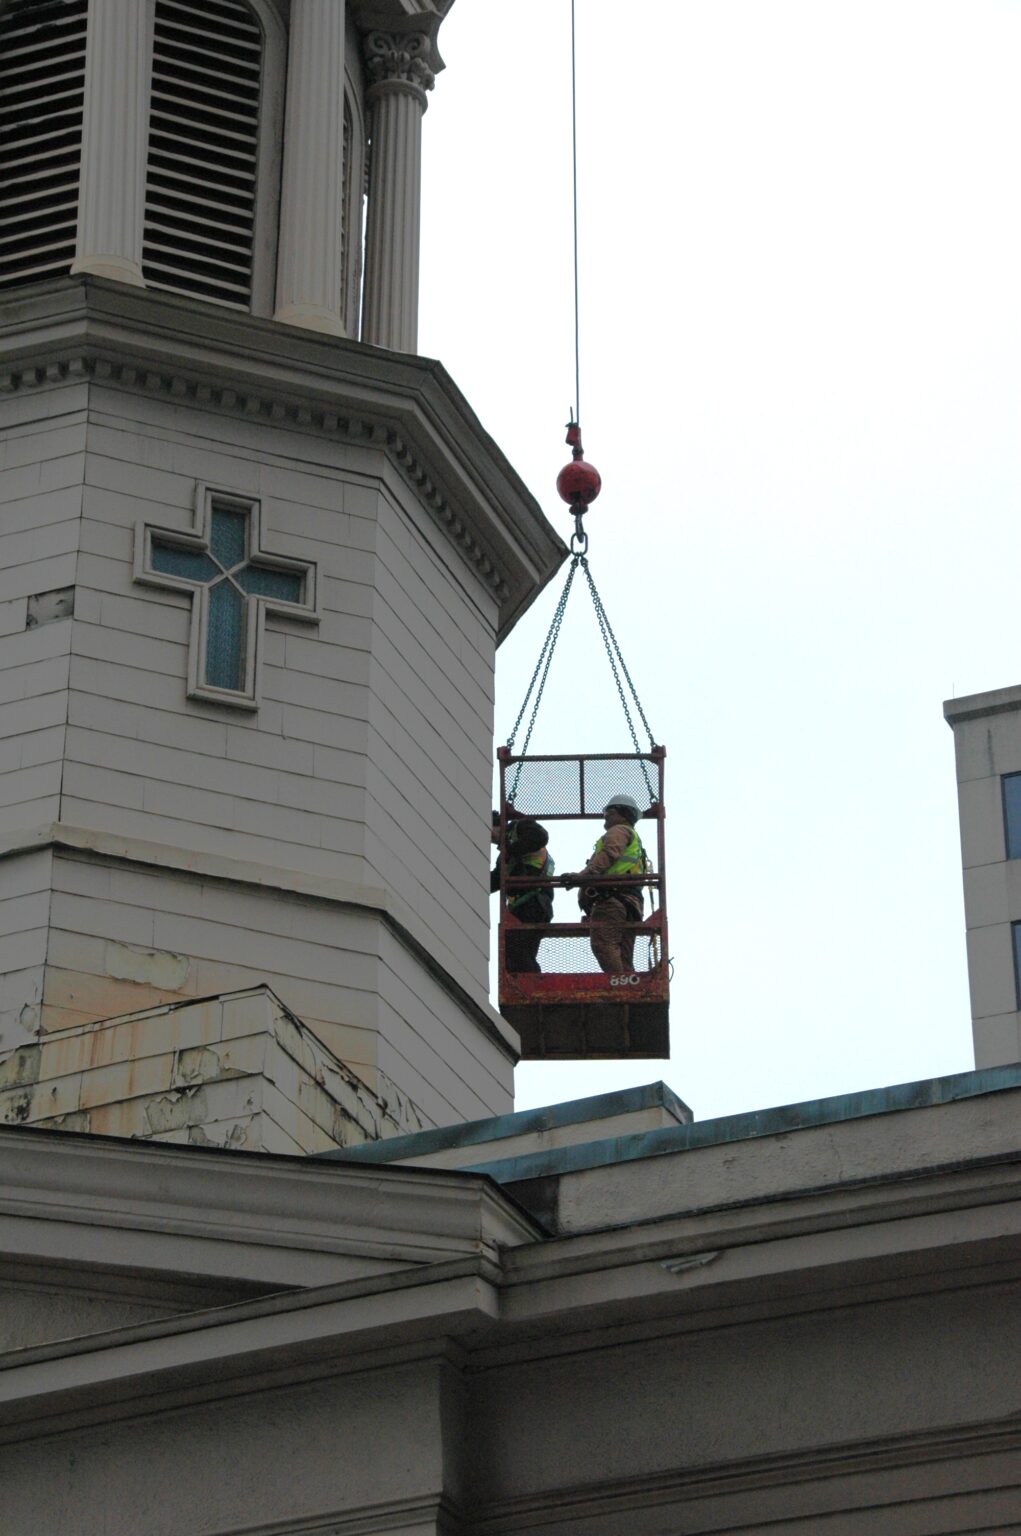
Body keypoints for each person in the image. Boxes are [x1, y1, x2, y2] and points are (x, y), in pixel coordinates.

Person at [564, 795, 647, 974]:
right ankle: (628, 987)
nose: (606, 816)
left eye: (610, 811)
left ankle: (620, 988)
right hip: (630, 903)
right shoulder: (633, 838)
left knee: (604, 944)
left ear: (623, 814)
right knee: (623, 954)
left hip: (612, 898)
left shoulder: (619, 831)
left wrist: (583, 876)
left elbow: (608, 855)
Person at [491, 814, 555, 973]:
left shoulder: (519, 828)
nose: (491, 840)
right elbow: (495, 880)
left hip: (534, 902)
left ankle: (532, 985)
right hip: (527, 905)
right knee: (517, 954)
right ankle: (530, 984)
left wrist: (511, 850)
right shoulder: (505, 856)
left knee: (517, 951)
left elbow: (539, 836)